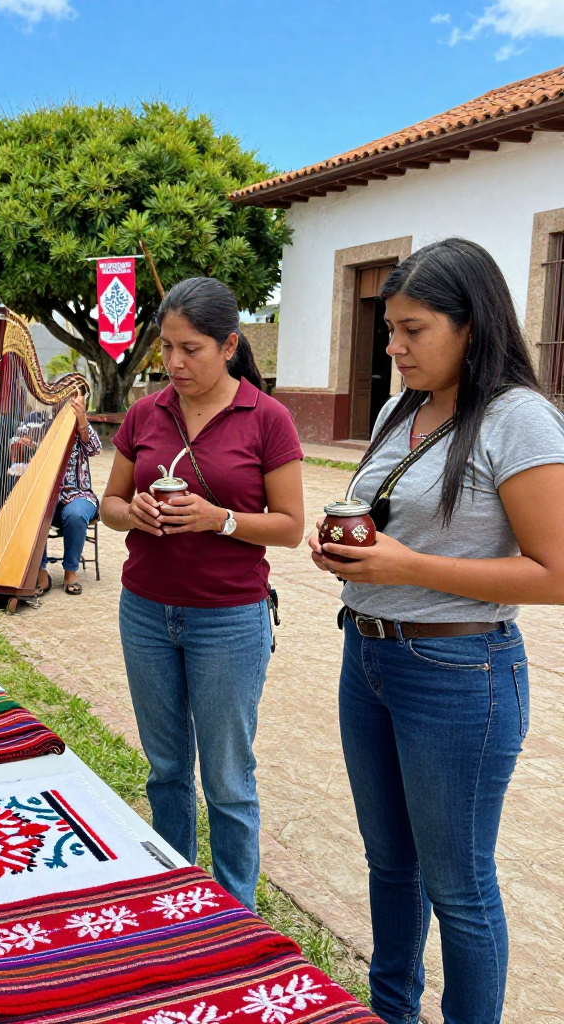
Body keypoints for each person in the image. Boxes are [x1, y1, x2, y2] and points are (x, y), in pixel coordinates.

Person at [307, 238, 564, 1024]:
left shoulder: (519, 420)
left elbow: (554, 572)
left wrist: (408, 566)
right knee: (391, 866)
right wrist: (351, 555)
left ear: (472, 327)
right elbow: (389, 529)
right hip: (371, 656)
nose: (394, 346)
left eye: (413, 329)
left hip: (460, 674)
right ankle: (392, 1012)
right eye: (391, 329)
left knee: (459, 887)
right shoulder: (401, 408)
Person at [101, 277, 304, 912]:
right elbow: (107, 504)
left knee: (227, 777)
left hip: (229, 617)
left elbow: (292, 527)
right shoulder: (145, 413)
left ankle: (235, 906)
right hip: (146, 610)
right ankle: (173, 887)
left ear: (229, 346)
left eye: (191, 349)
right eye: (166, 348)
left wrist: (219, 519)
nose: (175, 363)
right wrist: (131, 512)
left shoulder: (266, 418)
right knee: (165, 768)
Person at [36, 391, 101, 596]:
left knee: (75, 514)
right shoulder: (42, 428)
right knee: (37, 510)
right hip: (48, 496)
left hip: (79, 493)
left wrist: (81, 418)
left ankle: (70, 571)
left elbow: (95, 448)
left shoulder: (80, 427)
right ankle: (40, 570)